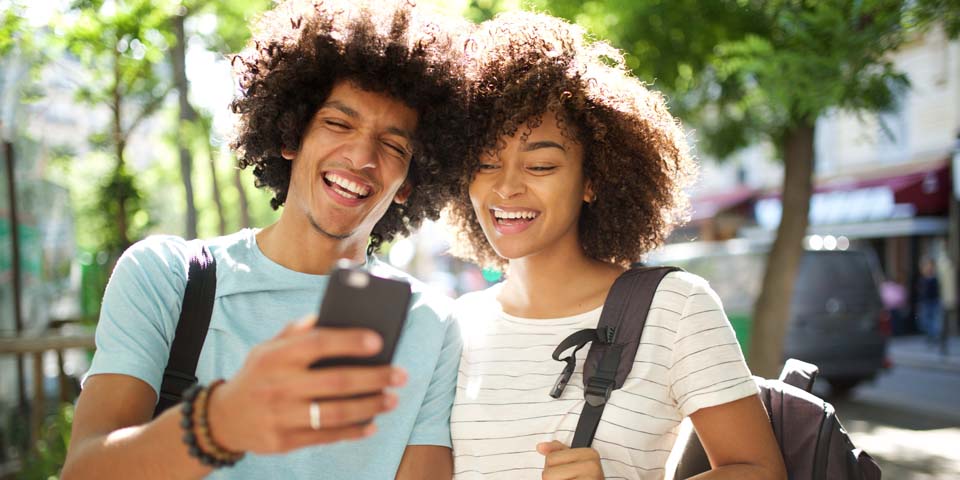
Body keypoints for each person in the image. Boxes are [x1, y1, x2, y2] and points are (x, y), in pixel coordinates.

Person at [63, 1, 469, 478]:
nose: (361, 156)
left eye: (393, 145)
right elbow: (83, 470)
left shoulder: (431, 325)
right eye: (338, 123)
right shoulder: (169, 277)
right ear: (291, 135)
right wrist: (222, 422)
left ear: (409, 182)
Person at [444, 12, 787, 480]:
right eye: (485, 163)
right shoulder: (454, 327)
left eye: (540, 166)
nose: (506, 188)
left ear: (592, 180)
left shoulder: (675, 307)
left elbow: (760, 470)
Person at [917, 256, 943, 344]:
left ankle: (933, 336)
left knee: (934, 320)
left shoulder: (934, 278)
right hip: (925, 301)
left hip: (934, 301)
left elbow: (938, 290)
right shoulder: (923, 278)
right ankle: (930, 334)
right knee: (925, 320)